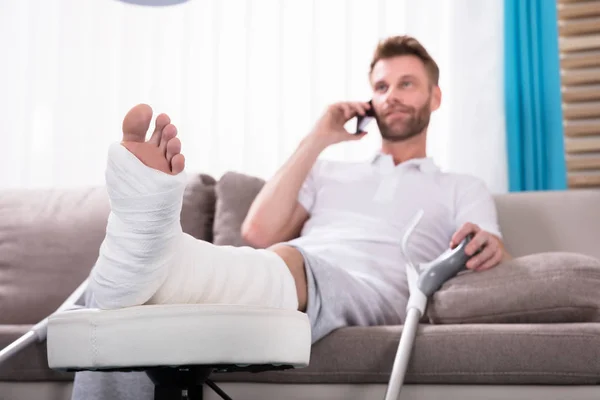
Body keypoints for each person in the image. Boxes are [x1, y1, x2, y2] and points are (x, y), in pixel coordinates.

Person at [71, 35, 511, 400]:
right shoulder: (329, 169)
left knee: (265, 260)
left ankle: (152, 257)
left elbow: (487, 243)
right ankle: (143, 261)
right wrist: (317, 138)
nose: (390, 95)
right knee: (123, 295)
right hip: (297, 266)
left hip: (372, 288)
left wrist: (487, 244)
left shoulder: (461, 185)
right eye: (380, 87)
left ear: (434, 97)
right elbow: (257, 230)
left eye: (406, 84)